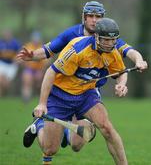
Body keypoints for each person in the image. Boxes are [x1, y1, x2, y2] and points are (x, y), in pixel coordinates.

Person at [17, 1, 147, 152]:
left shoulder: (108, 37)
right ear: (84, 18)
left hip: (89, 92)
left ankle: (65, 132)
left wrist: (139, 61)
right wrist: (32, 55)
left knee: (77, 145)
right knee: (50, 148)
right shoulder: (72, 34)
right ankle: (41, 125)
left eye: (97, 16)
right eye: (90, 16)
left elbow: (129, 51)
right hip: (64, 91)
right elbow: (48, 50)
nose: (94, 20)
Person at [30, 17, 137, 165]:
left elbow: (121, 72)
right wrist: (42, 104)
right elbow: (50, 72)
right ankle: (39, 125)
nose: (109, 44)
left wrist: (121, 84)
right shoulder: (77, 49)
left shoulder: (112, 52)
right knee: (50, 149)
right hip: (60, 95)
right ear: (96, 36)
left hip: (86, 94)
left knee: (106, 128)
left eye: (113, 41)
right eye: (105, 40)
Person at [21, 31, 47, 103]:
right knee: (27, 81)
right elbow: (22, 58)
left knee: (39, 81)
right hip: (29, 69)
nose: (36, 40)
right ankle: (26, 98)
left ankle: (40, 97)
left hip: (39, 69)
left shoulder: (42, 47)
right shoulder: (28, 46)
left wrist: (42, 69)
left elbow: (47, 60)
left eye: (37, 38)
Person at [0, 29, 21, 96]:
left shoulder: (15, 43)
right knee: (0, 80)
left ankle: (6, 94)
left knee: (6, 84)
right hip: (2, 63)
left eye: (8, 34)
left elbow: (19, 54)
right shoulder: (1, 43)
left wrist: (17, 60)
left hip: (12, 65)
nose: (6, 36)